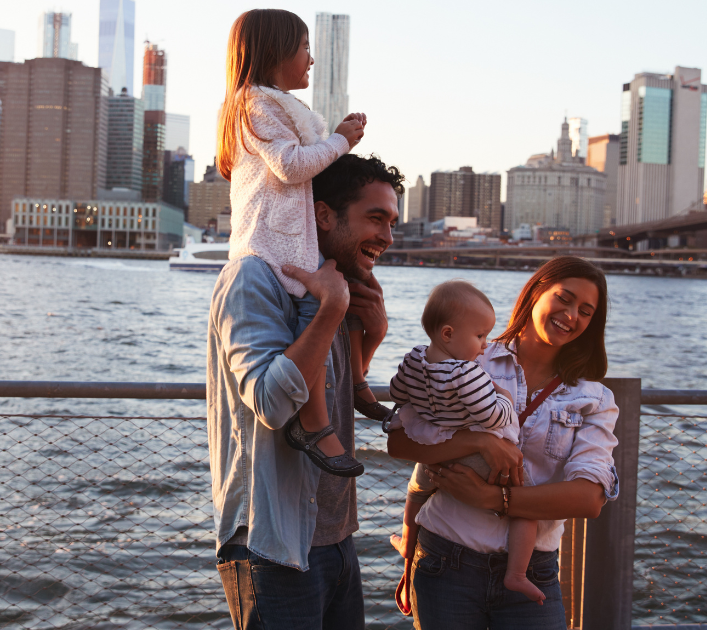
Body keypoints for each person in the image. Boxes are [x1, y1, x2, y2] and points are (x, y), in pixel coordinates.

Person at [208, 151, 402, 629]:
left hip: (337, 540)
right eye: (375, 219)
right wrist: (330, 311)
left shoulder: (333, 283)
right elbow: (272, 403)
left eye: (392, 223)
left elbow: (329, 390)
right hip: (272, 546)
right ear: (322, 214)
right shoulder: (255, 277)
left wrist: (369, 338)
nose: (387, 237)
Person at [386, 256, 620, 629]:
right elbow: (399, 443)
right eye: (565, 298)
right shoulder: (471, 358)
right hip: (445, 560)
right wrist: (480, 442)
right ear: (536, 290)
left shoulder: (593, 397)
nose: (572, 315)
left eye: (586, 311)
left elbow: (589, 498)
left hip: (533, 571)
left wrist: (494, 499)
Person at [217, 8, 368, 477]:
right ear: (274, 52)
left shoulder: (266, 105)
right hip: (270, 245)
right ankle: (316, 424)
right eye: (304, 48)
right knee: (312, 323)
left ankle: (347, 396)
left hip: (287, 245)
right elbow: (290, 166)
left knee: (327, 318)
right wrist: (342, 141)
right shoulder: (254, 104)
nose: (311, 59)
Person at [388, 279, 547, 610]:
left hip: (437, 454)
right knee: (526, 507)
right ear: (448, 334)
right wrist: (503, 398)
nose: (485, 346)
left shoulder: (414, 358)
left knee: (417, 492)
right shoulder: (467, 373)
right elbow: (491, 418)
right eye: (479, 336)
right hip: (478, 458)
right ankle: (517, 573)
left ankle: (408, 545)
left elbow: (397, 391)